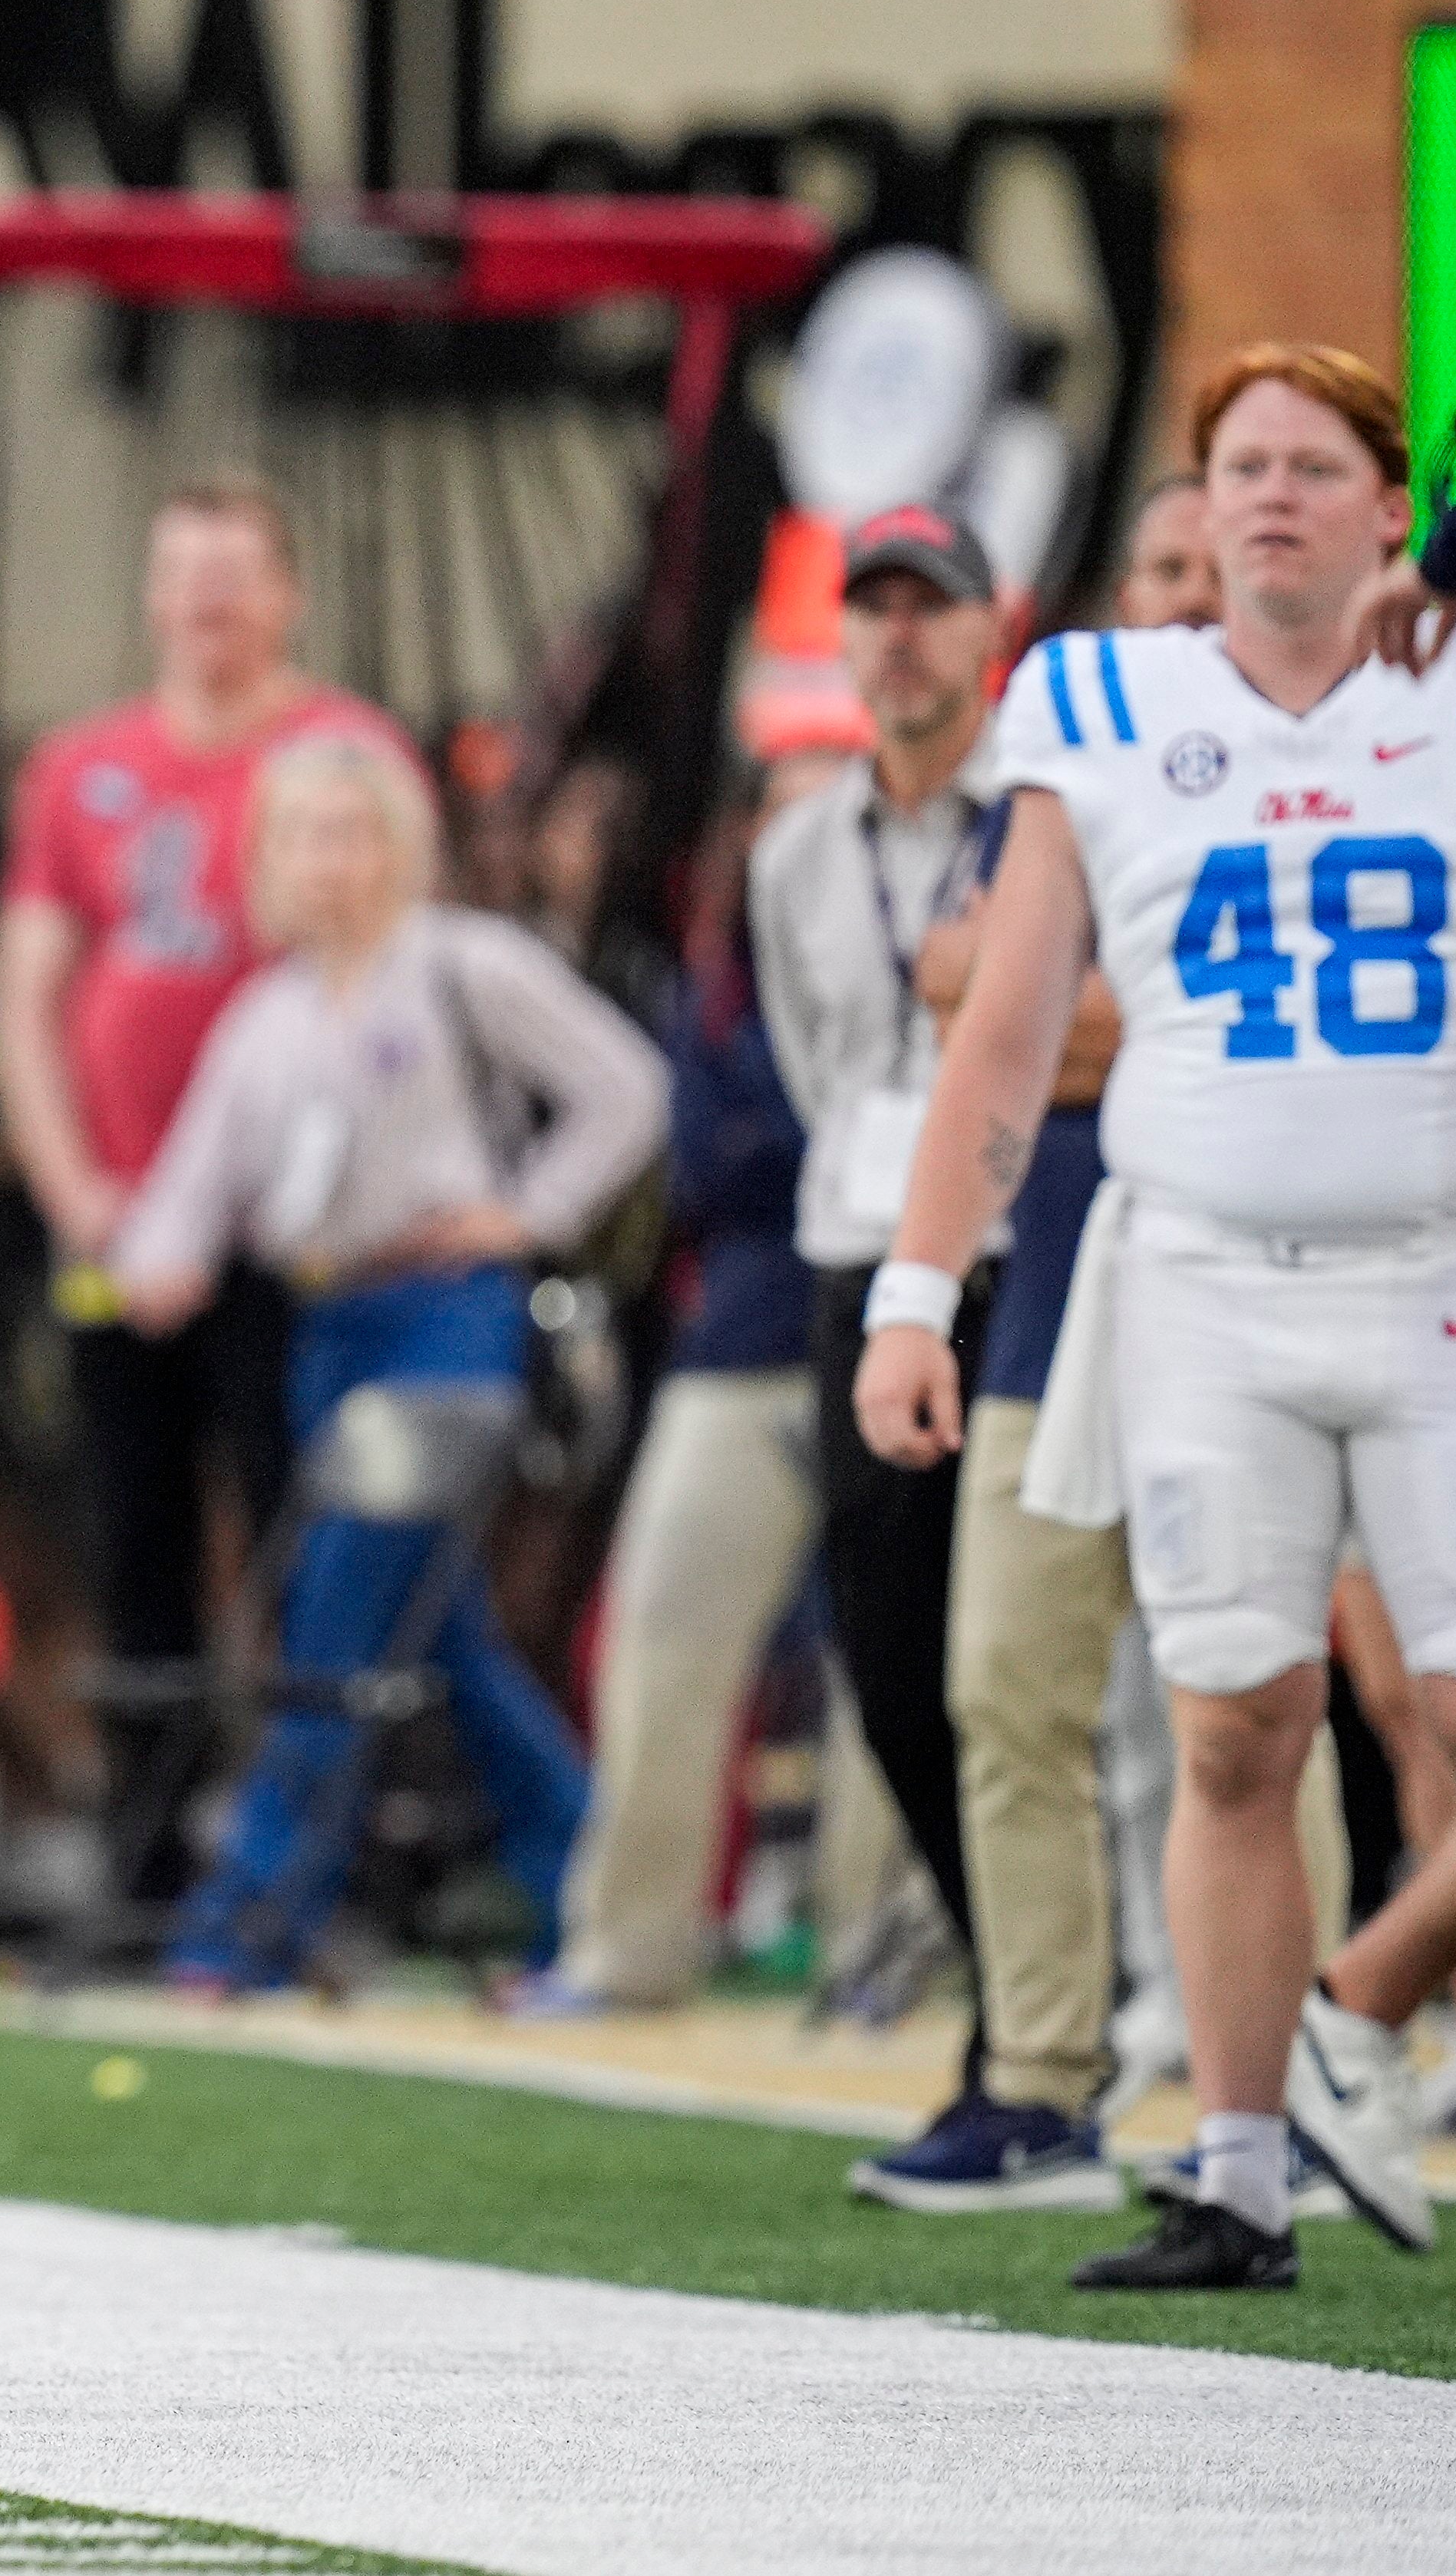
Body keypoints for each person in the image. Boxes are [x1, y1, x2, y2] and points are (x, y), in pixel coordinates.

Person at [861, 342, 1456, 2290]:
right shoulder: (1097, 703)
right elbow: (1002, 1029)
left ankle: (1351, 2004)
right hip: (1195, 1273)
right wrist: (910, 1294)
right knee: (1229, 1734)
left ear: (1388, 504)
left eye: (1309, 465)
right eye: (1234, 468)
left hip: (1439, 1271)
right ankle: (1231, 2169)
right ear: (1192, 513)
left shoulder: (1454, 672)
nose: (1266, 497)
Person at [113, 732, 662, 1988]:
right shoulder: (267, 1017)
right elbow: (193, 1191)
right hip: (331, 1326)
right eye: (303, 835)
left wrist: (528, 1212)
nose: (329, 863)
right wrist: (152, 1262)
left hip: (449, 1316)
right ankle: (594, 1875)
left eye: (354, 833)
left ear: (400, 848)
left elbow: (626, 1087)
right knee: (434, 1633)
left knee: (334, 1620)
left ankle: (248, 1921)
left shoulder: (467, 964)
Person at [0, 479, 417, 1920]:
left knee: (304, 1531)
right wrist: (75, 1189)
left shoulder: (343, 753)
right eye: (185, 579)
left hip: (290, 1236)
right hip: (126, 1222)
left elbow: (395, 981)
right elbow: (30, 987)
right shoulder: (84, 767)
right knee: (135, 1532)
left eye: (236, 581)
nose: (209, 610)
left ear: (286, 594)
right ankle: (147, 1844)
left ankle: (309, 1848)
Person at [864, 477, 1211, 2207]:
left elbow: (1143, 1005)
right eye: (1159, 566)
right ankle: (1043, 2074)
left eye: (1212, 568)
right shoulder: (1078, 752)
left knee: (1274, 1698)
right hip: (1059, 1260)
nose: (1182, 598)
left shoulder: (1358, 746)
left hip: (1264, 1265)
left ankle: (1283, 2079)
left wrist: (1103, 1004)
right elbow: (965, 988)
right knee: (1004, 1673)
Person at [748, 501, 1009, 2105]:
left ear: (990, 633)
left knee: (1035, 1656)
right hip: (863, 1254)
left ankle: (1065, 2007)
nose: (900, 633)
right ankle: (1013, 1964)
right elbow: (812, 1062)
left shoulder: (1045, 816)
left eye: (931, 605)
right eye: (875, 608)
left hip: (1017, 1257)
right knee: (893, 1661)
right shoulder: (793, 851)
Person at [523, 755, 838, 2014]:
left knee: (902, 1669)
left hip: (911, 1337)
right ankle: (630, 1940)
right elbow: (714, 1162)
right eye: (784, 805)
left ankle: (883, 1955)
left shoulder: (942, 942)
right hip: (749, 1336)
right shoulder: (716, 977)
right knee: (660, 1633)